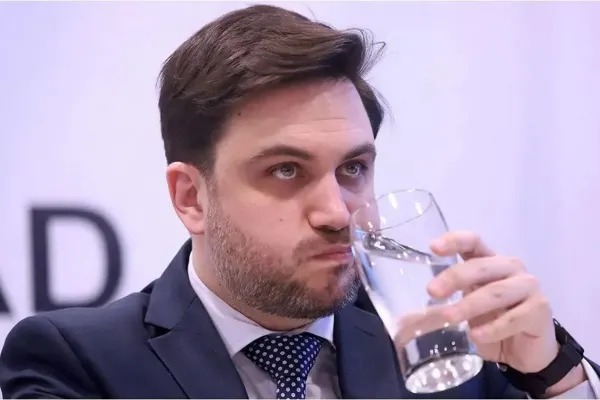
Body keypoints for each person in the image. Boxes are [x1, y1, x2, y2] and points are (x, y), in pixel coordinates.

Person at [0, 4, 598, 399]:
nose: (337, 213)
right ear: (190, 197)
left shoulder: (442, 344)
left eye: (353, 169)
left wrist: (552, 375)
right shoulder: (79, 362)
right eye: (285, 170)